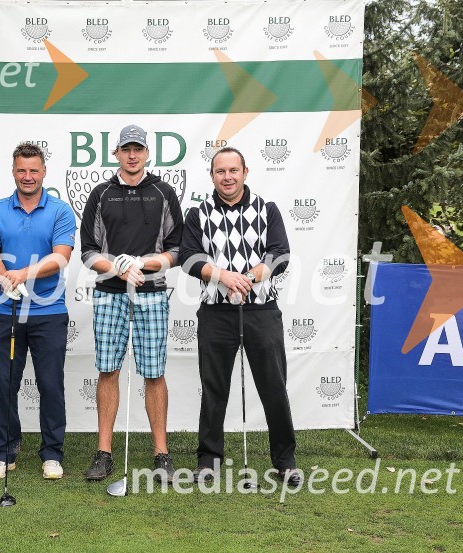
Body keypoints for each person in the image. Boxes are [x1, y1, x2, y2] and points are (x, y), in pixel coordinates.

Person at [178, 146, 301, 487]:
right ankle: (208, 459)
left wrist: (250, 276)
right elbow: (188, 258)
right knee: (214, 387)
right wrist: (221, 275)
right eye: (221, 171)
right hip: (216, 312)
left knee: (273, 386)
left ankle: (285, 460)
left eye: (233, 170)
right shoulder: (198, 213)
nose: (227, 177)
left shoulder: (267, 209)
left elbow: (281, 254)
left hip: (261, 310)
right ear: (212, 176)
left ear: (245, 172)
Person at [80, 124, 184, 484]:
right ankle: (104, 453)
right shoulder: (101, 194)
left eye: (138, 149)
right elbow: (88, 252)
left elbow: (177, 250)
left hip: (152, 292)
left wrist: (143, 265)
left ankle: (161, 453)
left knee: (154, 372)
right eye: (126, 149)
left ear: (147, 153)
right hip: (110, 293)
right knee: (108, 369)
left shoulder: (163, 192)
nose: (132, 155)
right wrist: (119, 269)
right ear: (117, 154)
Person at [0, 142, 76, 480]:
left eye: (34, 170)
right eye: (22, 170)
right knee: (5, 383)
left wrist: (24, 273)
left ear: (44, 172)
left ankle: (52, 453)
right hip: (7, 310)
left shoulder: (60, 210)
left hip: (49, 312)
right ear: (13, 171)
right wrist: (5, 277)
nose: (28, 176)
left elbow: (60, 257)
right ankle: (4, 450)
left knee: (50, 384)